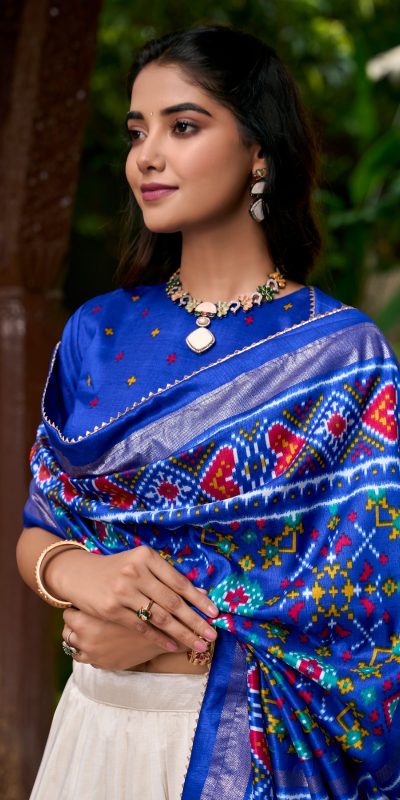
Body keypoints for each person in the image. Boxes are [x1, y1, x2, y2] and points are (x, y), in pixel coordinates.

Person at [16, 24, 400, 800]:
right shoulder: (98, 332)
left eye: (183, 127)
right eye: (138, 132)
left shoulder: (344, 357)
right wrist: (80, 574)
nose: (147, 156)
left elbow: (367, 617)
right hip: (93, 734)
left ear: (259, 152)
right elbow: (37, 528)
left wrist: (164, 647)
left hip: (245, 747)